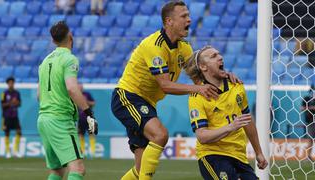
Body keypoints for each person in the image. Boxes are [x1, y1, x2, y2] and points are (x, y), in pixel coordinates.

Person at [111, 1, 240, 179]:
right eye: (184, 16)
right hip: (127, 97)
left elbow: (200, 77)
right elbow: (166, 85)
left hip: (147, 103)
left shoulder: (184, 48)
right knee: (161, 135)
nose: (189, 19)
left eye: (188, 15)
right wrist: (198, 89)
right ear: (169, 21)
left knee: (140, 170)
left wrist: (224, 76)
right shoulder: (154, 46)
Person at [185, 46, 268, 179]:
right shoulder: (197, 97)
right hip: (212, 155)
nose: (220, 57)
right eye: (213, 56)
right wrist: (230, 127)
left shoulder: (237, 86)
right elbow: (202, 136)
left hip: (239, 155)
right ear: (203, 67)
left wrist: (259, 152)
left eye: (219, 54)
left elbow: (247, 120)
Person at [37, 21, 98, 180]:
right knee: (78, 169)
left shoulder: (44, 62)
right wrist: (88, 112)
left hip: (44, 119)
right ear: (70, 36)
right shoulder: (70, 59)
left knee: (57, 170)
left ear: (53, 40)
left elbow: (39, 95)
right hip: (60, 120)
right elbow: (72, 88)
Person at [0, 77, 22, 158]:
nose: (11, 84)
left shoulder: (17, 93)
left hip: (15, 116)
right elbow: (2, 105)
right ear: (7, 84)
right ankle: (8, 152)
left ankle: (15, 151)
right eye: (9, 83)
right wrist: (10, 102)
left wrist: (16, 103)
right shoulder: (4, 93)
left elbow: (20, 104)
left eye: (12, 82)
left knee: (19, 132)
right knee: (7, 133)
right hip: (6, 116)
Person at [77, 84, 96, 157]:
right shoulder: (76, 96)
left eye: (81, 87)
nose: (80, 88)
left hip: (89, 118)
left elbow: (93, 103)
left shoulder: (87, 94)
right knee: (81, 135)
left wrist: (87, 102)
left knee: (91, 134)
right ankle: (82, 153)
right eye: (79, 87)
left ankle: (93, 153)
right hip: (80, 118)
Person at [301, 84, 315, 160]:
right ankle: (308, 156)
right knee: (310, 139)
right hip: (310, 121)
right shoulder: (306, 98)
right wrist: (311, 108)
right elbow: (302, 108)